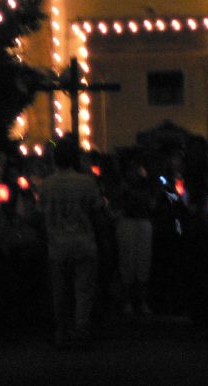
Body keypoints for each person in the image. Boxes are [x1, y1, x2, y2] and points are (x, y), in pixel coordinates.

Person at [39, 139, 105, 348]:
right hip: (84, 241)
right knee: (83, 289)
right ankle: (81, 327)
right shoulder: (86, 182)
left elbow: (41, 214)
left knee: (59, 289)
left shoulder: (46, 184)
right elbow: (96, 211)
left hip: (57, 243)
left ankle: (61, 329)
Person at [114, 160, 156, 315]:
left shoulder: (146, 185)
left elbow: (151, 203)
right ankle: (130, 301)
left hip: (141, 222)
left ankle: (139, 300)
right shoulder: (124, 186)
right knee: (128, 261)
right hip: (129, 221)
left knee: (142, 261)